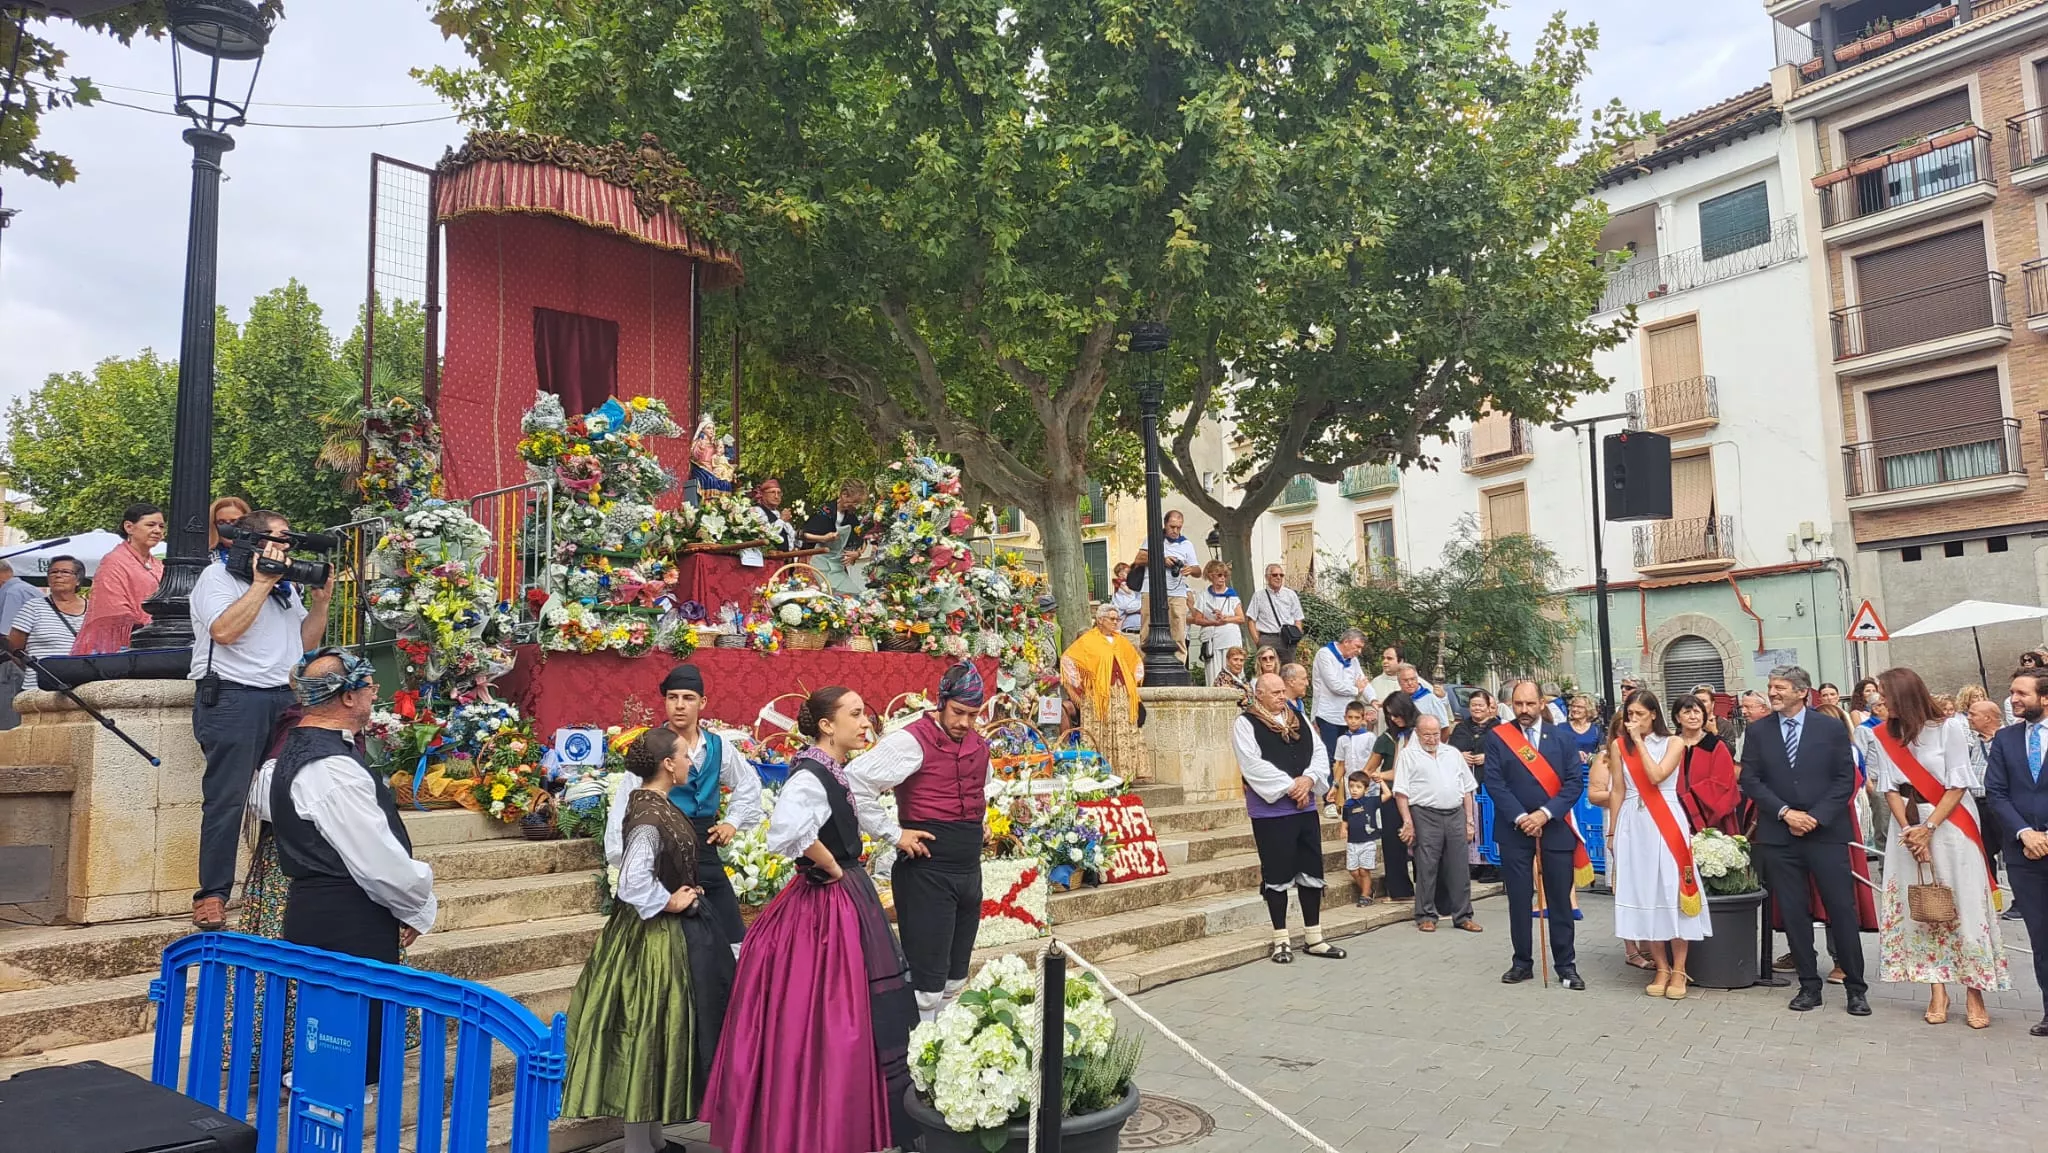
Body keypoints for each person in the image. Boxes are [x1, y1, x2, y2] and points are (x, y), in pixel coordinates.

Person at [704, 687, 918, 1153]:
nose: (866, 723)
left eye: (866, 714)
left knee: (850, 1009)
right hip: (826, 905)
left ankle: (847, 1119)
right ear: (826, 724)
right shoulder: (809, 775)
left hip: (845, 897)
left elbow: (843, 815)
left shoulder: (832, 769)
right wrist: (834, 866)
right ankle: (817, 1122)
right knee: (827, 1010)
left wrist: (875, 845)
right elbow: (787, 832)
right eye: (856, 714)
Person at [564, 727, 738, 1153]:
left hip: (655, 932)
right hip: (651, 938)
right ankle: (639, 1145)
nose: (689, 762)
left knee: (656, 1032)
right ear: (667, 764)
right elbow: (632, 881)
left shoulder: (653, 803)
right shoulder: (647, 814)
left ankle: (652, 1140)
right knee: (649, 1028)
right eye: (683, 756)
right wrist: (671, 902)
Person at [269, 649, 436, 1081]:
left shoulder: (292, 752)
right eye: (369, 686)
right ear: (347, 697)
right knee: (344, 1044)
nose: (374, 693)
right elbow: (376, 861)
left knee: (333, 1033)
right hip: (346, 916)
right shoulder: (331, 767)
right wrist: (418, 903)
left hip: (320, 908)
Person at [189, 510, 334, 932]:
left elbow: (303, 644)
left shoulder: (286, 590)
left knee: (293, 795)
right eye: (279, 539)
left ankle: (282, 883)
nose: (286, 548)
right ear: (252, 542)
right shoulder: (216, 579)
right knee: (227, 799)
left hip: (284, 698)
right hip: (234, 697)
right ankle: (212, 896)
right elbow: (224, 631)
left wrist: (321, 603)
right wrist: (261, 583)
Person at [849, 663, 992, 1023]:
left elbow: (980, 787)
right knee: (926, 985)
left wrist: (982, 823)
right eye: (958, 712)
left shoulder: (979, 745)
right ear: (941, 703)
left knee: (955, 977)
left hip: (968, 871)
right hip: (927, 873)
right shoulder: (910, 740)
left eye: (972, 715)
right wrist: (894, 834)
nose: (964, 722)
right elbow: (854, 780)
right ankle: (915, 1061)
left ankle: (942, 1059)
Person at [1866, 667, 2008, 1029]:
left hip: (1950, 824)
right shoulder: (1883, 735)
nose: (1879, 701)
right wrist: (1911, 830)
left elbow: (1959, 783)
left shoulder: (1949, 728)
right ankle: (1937, 989)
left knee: (1962, 903)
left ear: (1905, 695)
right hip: (1909, 827)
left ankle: (1974, 991)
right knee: (1924, 905)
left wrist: (1928, 828)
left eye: (1885, 694)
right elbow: (1889, 788)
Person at [605, 664, 766, 946]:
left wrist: (733, 821)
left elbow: (749, 783)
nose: (679, 706)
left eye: (688, 698)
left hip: (705, 849)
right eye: (672, 697)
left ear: (702, 702)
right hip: (664, 855)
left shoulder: (718, 746)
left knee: (732, 939)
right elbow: (625, 806)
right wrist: (629, 858)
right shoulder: (653, 747)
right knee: (675, 942)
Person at [1741, 665, 1870, 1016]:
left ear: (1802, 692)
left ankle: (1856, 988)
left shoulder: (1829, 727)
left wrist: (1815, 817)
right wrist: (1785, 813)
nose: (1772, 693)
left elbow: (1845, 779)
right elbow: (1751, 780)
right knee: (1795, 912)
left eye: (1779, 687)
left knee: (1841, 909)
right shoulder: (1758, 731)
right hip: (1780, 835)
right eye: (1770, 686)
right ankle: (1809, 986)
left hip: (1825, 833)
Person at [1232, 672, 1344, 963]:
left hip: (1304, 808)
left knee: (1311, 870)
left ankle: (1314, 936)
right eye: (1275, 693)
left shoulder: (1298, 718)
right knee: (1277, 873)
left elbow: (1319, 752)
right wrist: (1289, 786)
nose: (1282, 697)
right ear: (1259, 694)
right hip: (1271, 813)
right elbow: (1251, 764)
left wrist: (1308, 779)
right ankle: (1280, 938)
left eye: (1283, 691)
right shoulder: (1246, 723)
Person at [1483, 679, 1588, 990]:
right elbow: (1494, 782)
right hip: (1514, 830)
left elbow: (1573, 784)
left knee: (1559, 899)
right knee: (1518, 898)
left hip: (1554, 828)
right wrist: (1521, 817)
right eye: (1518, 705)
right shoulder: (1499, 738)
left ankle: (1566, 965)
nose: (1524, 711)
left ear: (1542, 703)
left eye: (1530, 704)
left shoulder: (1562, 738)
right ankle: (1521, 963)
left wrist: (1544, 813)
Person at [1608, 689, 1711, 1001]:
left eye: (1640, 714)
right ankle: (1661, 966)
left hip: (1665, 820)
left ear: (1654, 714)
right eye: (1629, 715)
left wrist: (1639, 742)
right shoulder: (1617, 746)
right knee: (1645, 891)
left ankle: (1680, 968)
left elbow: (1655, 776)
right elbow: (1617, 790)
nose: (1633, 720)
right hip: (1634, 823)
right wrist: (1612, 833)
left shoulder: (1674, 742)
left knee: (1672, 889)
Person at [1983, 668, 2048, 1037]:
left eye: (2022, 693)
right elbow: (1996, 793)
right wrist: (2025, 833)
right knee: (2041, 936)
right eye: (2012, 693)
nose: (2014, 699)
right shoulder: (2005, 740)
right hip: (2024, 854)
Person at [1397, 713, 1480, 934]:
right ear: (1417, 733)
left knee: (1460, 866)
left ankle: (1463, 915)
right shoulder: (1408, 755)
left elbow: (1467, 790)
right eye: (1427, 735)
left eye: (1435, 734)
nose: (1432, 739)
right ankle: (1426, 915)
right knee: (1427, 865)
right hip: (1425, 813)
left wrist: (1469, 821)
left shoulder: (1452, 753)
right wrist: (1408, 822)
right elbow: (1401, 793)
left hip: (1455, 814)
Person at [1062, 602, 1147, 783]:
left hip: (1122, 693)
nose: (1115, 622)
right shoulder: (1088, 640)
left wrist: (1134, 680)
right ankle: (1098, 772)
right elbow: (1068, 659)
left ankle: (1125, 773)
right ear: (1100, 620)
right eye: (1112, 619)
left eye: (1117, 619)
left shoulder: (1121, 640)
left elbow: (1135, 661)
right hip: (1098, 694)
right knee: (1102, 730)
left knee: (1123, 730)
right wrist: (1082, 683)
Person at [71, 502, 166, 654]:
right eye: (151, 525)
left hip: (159, 639)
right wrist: (144, 627)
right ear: (129, 527)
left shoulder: (159, 565)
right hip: (123, 644)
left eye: (161, 526)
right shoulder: (114, 561)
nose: (157, 531)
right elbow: (112, 607)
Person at [1363, 691, 1419, 902]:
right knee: (1393, 843)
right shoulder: (1386, 739)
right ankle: (1399, 890)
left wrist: (1383, 774)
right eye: (1390, 716)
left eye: (1397, 714)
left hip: (1417, 794)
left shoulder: (1420, 734)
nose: (1395, 719)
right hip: (1390, 795)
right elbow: (1369, 769)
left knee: (1419, 844)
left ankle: (1425, 890)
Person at [5, 555, 85, 695]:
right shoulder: (33, 607)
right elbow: (14, 649)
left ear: (78, 580)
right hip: (39, 689)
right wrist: (36, 670)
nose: (58, 576)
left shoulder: (93, 610)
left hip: (81, 689)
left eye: (65, 572)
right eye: (53, 572)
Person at [1448, 689, 1499, 881]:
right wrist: (1459, 756)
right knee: (1470, 822)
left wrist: (1487, 757)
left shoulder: (1498, 728)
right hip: (1466, 785)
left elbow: (1505, 753)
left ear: (1488, 707)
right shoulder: (1461, 728)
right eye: (1473, 705)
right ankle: (1473, 862)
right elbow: (1449, 751)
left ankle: (1491, 864)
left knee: (1488, 822)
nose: (1477, 708)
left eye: (1480, 705)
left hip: (1489, 784)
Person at [1138, 510, 1200, 662]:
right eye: (1172, 527)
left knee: (1178, 627)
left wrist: (1190, 569)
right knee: (1147, 627)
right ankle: (1144, 665)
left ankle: (1179, 663)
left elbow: (1198, 570)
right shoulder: (1153, 539)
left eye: (1179, 527)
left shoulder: (1186, 544)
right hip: (1151, 589)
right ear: (1165, 525)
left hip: (1177, 591)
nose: (1175, 531)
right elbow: (1139, 558)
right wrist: (1162, 559)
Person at [1311, 628, 1373, 760]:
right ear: (1346, 642)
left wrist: (1374, 700)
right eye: (1357, 646)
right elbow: (1334, 685)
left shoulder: (1353, 660)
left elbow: (1363, 681)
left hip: (1346, 717)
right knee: (1330, 756)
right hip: (1327, 715)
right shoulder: (1325, 654)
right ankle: (1329, 781)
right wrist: (1356, 690)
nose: (1359, 651)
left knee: (1346, 757)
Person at [801, 479, 871, 594]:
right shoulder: (825, 511)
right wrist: (824, 538)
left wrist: (857, 553)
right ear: (844, 495)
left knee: (852, 595)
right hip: (814, 562)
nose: (856, 506)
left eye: (858, 503)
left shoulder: (852, 517)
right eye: (854, 502)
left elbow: (862, 538)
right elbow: (803, 534)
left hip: (835, 565)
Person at [1964, 697, 2005, 881]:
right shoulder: (1975, 743)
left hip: (2001, 804)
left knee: (2012, 853)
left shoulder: (2009, 739)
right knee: (1984, 854)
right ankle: (1993, 897)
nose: (1968, 717)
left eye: (1973, 714)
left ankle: (2020, 902)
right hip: (1979, 804)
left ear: (1988, 718)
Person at [1189, 560, 1248, 687]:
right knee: (1214, 673)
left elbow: (1241, 618)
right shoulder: (1204, 595)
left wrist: (1226, 619)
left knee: (1233, 669)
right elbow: (1197, 619)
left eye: (1224, 575)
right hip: (1213, 641)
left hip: (1230, 638)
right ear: (1211, 576)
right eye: (1219, 575)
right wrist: (1213, 622)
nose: (1222, 578)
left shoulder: (1232, 595)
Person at [0, 559, 42, 726]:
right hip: (28, 666)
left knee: (8, 724)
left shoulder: (13, 593)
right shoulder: (25, 589)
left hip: (15, 667)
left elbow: (6, 637)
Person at [1246, 563, 1304, 651]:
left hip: (1288, 640)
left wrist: (1296, 637)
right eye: (1274, 575)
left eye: (1281, 575)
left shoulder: (1291, 595)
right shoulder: (1258, 596)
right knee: (1267, 664)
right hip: (1267, 639)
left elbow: (1298, 618)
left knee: (1288, 665)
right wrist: (1258, 641)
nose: (1278, 577)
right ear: (1267, 577)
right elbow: (1251, 620)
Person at [749, 477, 800, 550]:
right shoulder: (756, 511)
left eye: (779, 493)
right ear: (763, 495)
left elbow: (794, 539)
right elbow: (767, 535)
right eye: (772, 492)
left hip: (786, 558)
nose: (776, 496)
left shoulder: (779, 514)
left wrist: (802, 535)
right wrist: (781, 520)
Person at [1397, 662, 1451, 728]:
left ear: (1417, 679)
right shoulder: (1397, 700)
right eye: (1405, 680)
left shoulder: (1431, 700)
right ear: (1399, 682)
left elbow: (1444, 727)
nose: (1410, 683)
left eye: (1412, 679)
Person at [1564, 695, 1603, 778]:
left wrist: (1592, 757)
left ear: (1588, 709)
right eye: (1573, 706)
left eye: (1579, 707)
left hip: (1591, 773)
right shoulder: (1561, 728)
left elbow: (1603, 754)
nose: (1574, 709)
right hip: (1569, 774)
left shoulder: (1596, 729)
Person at [207, 496, 252, 560]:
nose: (228, 527)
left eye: (235, 521)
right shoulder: (204, 554)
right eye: (221, 522)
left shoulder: (256, 555)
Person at [1110, 563, 1142, 636]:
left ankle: (1118, 631)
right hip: (1122, 605)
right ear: (1120, 574)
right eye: (1127, 572)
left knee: (1121, 618)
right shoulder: (1122, 583)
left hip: (1124, 607)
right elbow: (1128, 592)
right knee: (1120, 618)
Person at [1368, 646, 1404, 711]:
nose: (1385, 661)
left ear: (1401, 661)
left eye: (1389, 658)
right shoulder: (1375, 683)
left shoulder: (1411, 681)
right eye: (1383, 658)